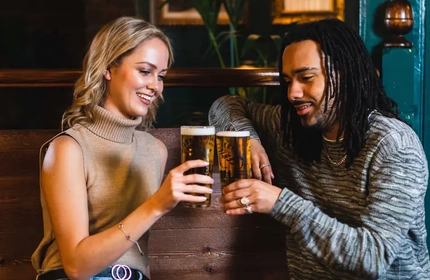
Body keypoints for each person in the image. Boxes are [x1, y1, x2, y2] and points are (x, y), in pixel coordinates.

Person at [209, 18, 430, 279]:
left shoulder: (393, 145)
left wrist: (280, 202)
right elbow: (224, 105)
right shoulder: (292, 129)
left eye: (306, 78)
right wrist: (247, 138)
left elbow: (373, 258)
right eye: (288, 80)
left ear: (344, 74)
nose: (293, 93)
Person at [31, 16, 214, 280]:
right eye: (144, 71)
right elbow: (76, 267)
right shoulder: (68, 149)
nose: (155, 86)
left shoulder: (155, 150)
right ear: (108, 68)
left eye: (161, 76)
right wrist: (157, 204)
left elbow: (138, 256)